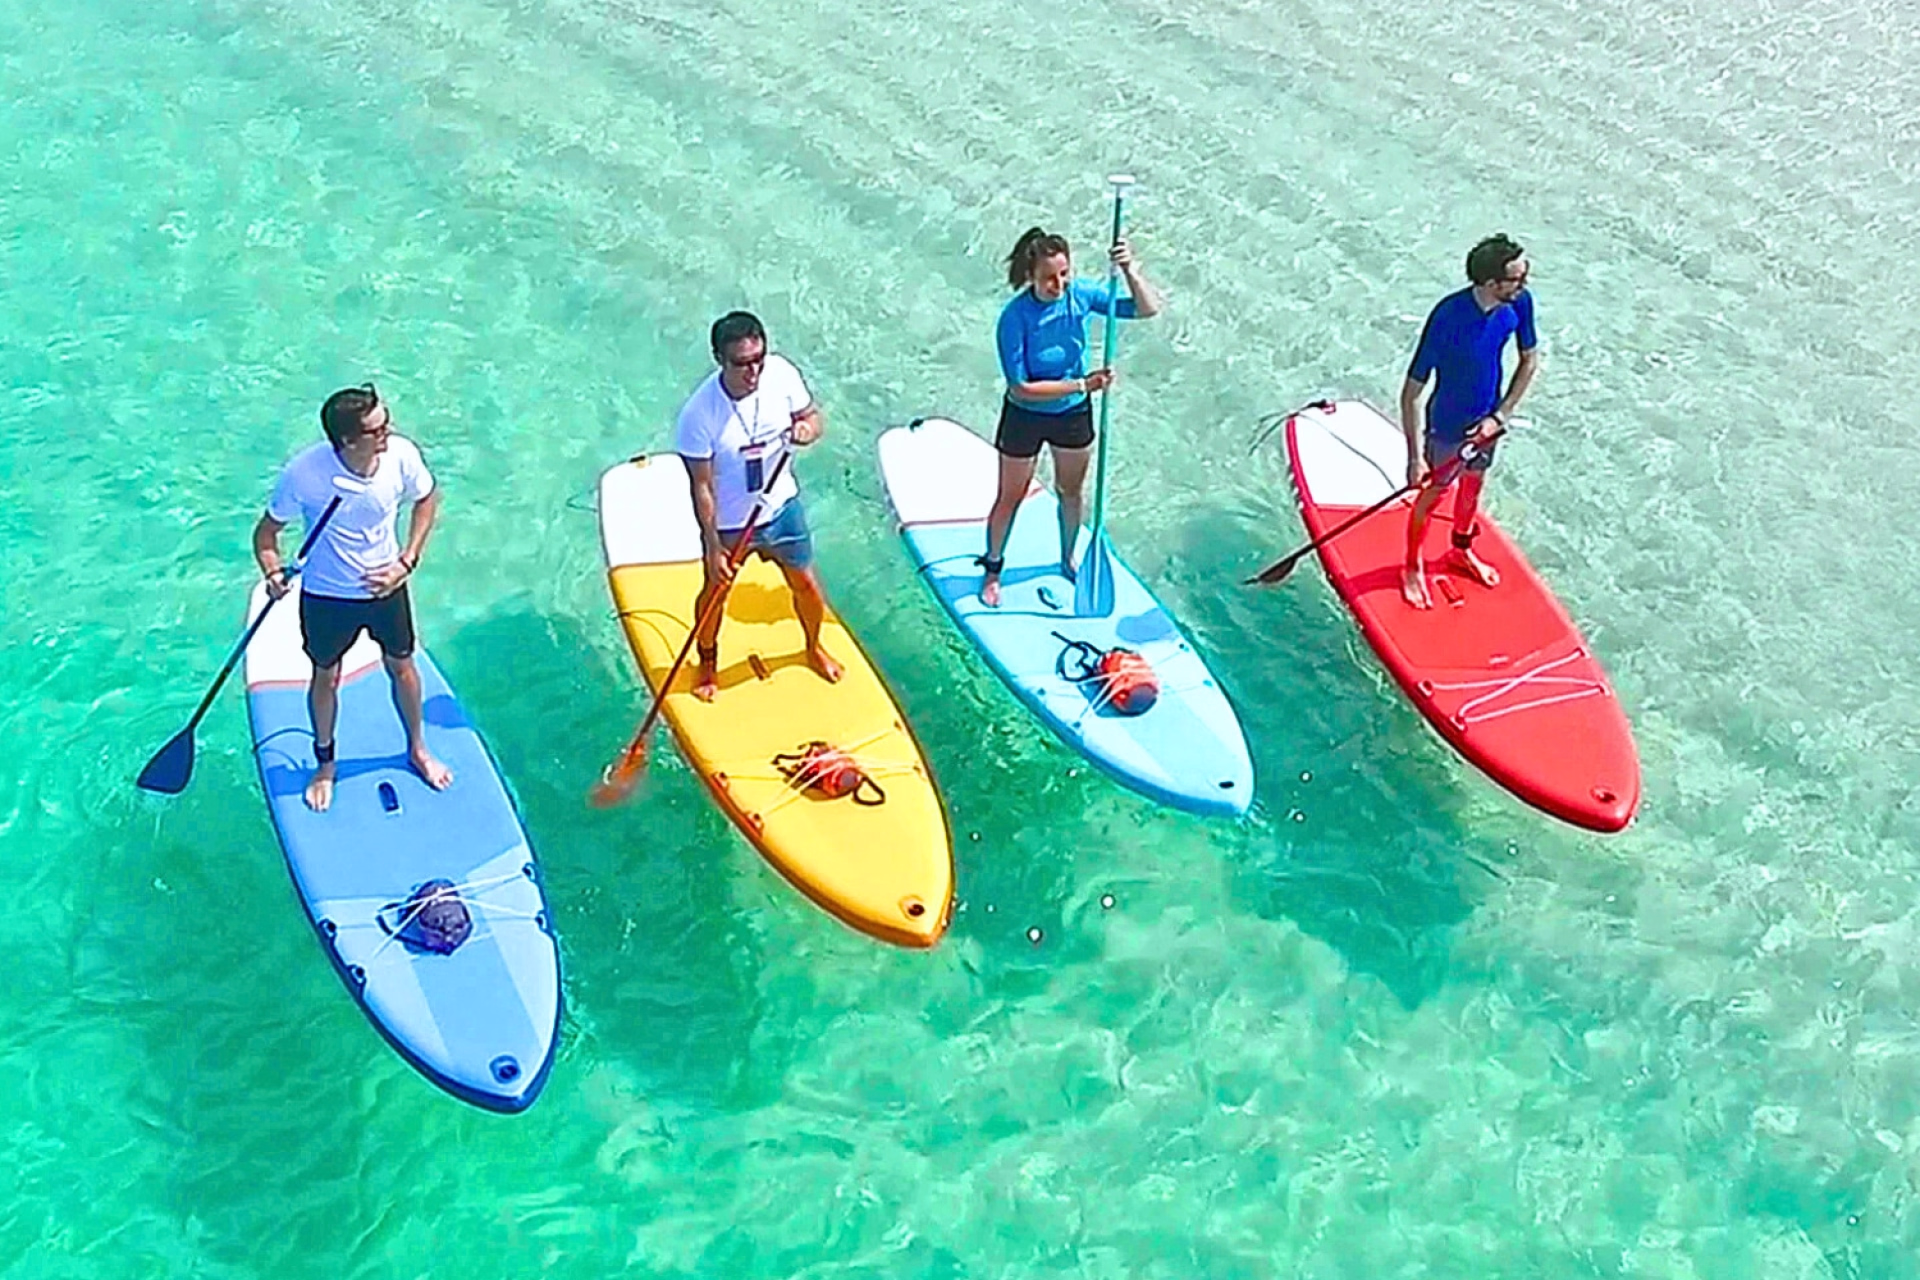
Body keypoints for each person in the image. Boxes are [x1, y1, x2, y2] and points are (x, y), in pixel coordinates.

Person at [253, 384, 450, 812]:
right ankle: (325, 765)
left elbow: (427, 499)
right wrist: (272, 573)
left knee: (404, 668)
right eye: (377, 429)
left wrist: (407, 560)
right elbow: (266, 534)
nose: (389, 433)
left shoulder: (401, 455)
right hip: (327, 597)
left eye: (386, 421)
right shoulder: (304, 474)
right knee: (326, 676)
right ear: (348, 440)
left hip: (388, 589)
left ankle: (417, 748)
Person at [980, 225, 1163, 608]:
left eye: (1065, 274)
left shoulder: (1080, 296)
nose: (1059, 284)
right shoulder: (1014, 318)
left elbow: (1147, 309)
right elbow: (1020, 387)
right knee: (1009, 496)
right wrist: (1083, 385)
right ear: (1030, 276)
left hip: (1071, 417)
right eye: (1049, 277)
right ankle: (993, 568)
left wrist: (1130, 269)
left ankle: (1066, 558)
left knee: (1071, 492)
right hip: (1024, 417)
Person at [676, 310, 842, 701]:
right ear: (719, 358)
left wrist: (808, 431)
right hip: (732, 524)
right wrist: (712, 547)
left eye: (758, 360)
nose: (753, 371)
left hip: (782, 508)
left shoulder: (781, 375)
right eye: (742, 363)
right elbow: (701, 487)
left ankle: (813, 646)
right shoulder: (699, 415)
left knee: (807, 585)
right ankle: (707, 659)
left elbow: (813, 417)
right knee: (716, 592)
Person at [1399, 233, 1540, 610]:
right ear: (1491, 283)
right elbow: (1412, 391)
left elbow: (1530, 360)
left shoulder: (1519, 304)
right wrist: (1414, 457)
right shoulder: (1447, 316)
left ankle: (1461, 549)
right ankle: (1411, 566)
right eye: (1517, 278)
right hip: (1446, 425)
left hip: (1488, 423)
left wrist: (1500, 415)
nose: (1525, 284)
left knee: (1473, 486)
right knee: (1433, 496)